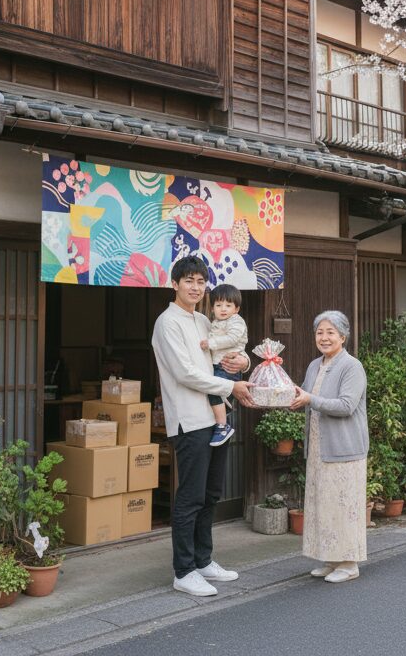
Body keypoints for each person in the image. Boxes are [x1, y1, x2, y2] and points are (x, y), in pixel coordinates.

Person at [152, 256, 252, 597]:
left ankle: (203, 559)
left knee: (210, 494)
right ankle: (184, 570)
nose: (196, 288)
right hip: (189, 419)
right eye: (189, 281)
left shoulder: (203, 320)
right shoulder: (168, 323)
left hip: (215, 416)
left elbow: (229, 351)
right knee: (191, 496)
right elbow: (184, 373)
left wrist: (244, 361)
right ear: (175, 283)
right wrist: (230, 387)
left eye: (200, 282)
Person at [290, 310, 368, 583]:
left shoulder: (352, 366)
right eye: (319, 332)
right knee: (323, 504)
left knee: (343, 506)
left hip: (344, 449)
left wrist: (309, 398)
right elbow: (305, 395)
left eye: (330, 332)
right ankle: (332, 559)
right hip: (319, 448)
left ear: (343, 337)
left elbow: (346, 406)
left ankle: (349, 563)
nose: (324, 338)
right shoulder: (315, 365)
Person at [200, 284, 247, 447]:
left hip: (227, 366)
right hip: (219, 366)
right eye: (218, 305)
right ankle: (223, 412)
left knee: (213, 391)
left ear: (237, 309)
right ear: (212, 307)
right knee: (216, 395)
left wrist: (210, 343)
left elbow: (233, 339)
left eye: (228, 305)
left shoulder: (236, 321)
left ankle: (222, 426)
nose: (223, 309)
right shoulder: (214, 322)